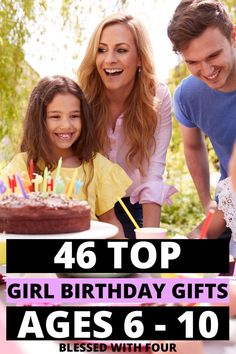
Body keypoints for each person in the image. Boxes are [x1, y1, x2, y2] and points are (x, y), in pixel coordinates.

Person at [78, 14, 177, 238]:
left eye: (121, 50)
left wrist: (151, 240)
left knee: (142, 268)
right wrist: (113, 226)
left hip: (133, 206)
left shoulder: (158, 97)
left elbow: (154, 171)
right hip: (88, 209)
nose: (109, 59)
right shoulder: (81, 98)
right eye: (101, 50)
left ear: (140, 58)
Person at [2, 75, 132, 238]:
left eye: (74, 116)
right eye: (55, 116)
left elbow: (110, 221)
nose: (66, 125)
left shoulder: (96, 166)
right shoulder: (23, 165)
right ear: (39, 120)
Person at [167, 0, 236, 215]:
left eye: (213, 56)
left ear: (233, 35)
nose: (207, 70)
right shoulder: (187, 96)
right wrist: (207, 203)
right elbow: (193, 147)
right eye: (193, 62)